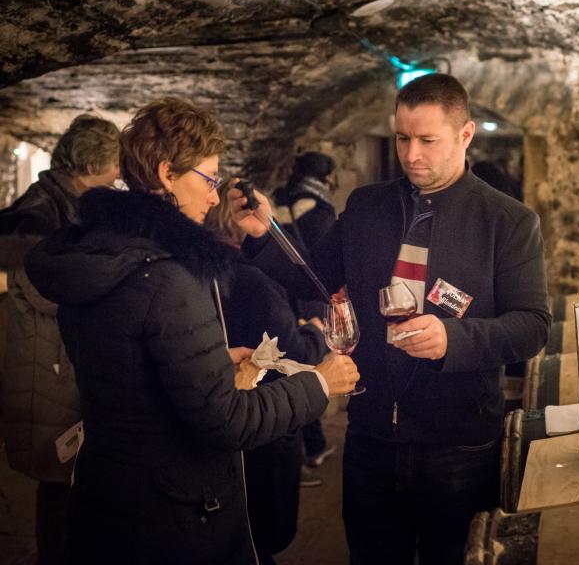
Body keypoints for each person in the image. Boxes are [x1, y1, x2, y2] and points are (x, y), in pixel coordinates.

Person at [229, 74, 551, 564]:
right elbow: (312, 279)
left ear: (465, 135)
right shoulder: (366, 206)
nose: (411, 154)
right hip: (371, 433)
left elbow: (532, 324)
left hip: (458, 442)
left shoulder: (507, 220)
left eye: (427, 140)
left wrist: (455, 339)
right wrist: (262, 235)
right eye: (403, 138)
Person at [23, 97, 359, 565]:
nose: (214, 196)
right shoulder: (171, 276)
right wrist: (320, 382)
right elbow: (228, 422)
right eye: (209, 179)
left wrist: (211, 363)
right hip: (172, 516)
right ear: (166, 174)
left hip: (106, 494)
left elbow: (128, 367)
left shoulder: (99, 253)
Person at [0, 114, 120, 565]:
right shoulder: (41, 214)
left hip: (58, 360)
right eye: (114, 168)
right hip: (48, 367)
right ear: (90, 166)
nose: (117, 178)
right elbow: (42, 288)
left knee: (67, 486)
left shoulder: (59, 203)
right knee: (59, 487)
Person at [206, 181, 327, 564]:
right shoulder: (251, 280)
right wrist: (316, 331)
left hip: (222, 426)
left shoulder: (199, 269)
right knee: (258, 541)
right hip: (262, 424)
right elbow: (294, 353)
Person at [273, 151, 338, 469]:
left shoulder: (279, 199)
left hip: (277, 293)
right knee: (308, 365)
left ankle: (307, 445)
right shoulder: (319, 210)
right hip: (306, 297)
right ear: (325, 176)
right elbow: (325, 264)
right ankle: (311, 446)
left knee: (290, 367)